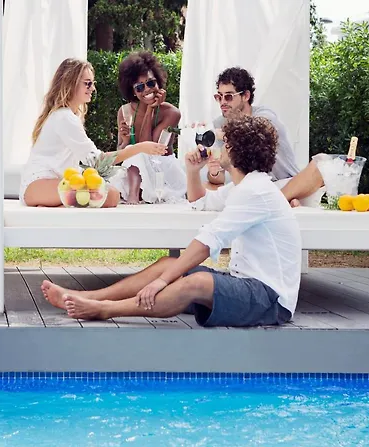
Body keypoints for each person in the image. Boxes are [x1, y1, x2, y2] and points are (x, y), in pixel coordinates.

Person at [40, 115, 302, 327]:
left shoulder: (254, 191)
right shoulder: (245, 187)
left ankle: (105, 309)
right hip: (246, 285)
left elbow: (209, 240)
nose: (219, 148)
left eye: (224, 143)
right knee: (169, 264)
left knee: (194, 282)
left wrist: (162, 281)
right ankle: (87, 296)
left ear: (233, 151)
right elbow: (200, 202)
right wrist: (193, 171)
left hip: (271, 300)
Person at [20, 58, 167, 207]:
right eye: (87, 83)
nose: (93, 88)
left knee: (111, 194)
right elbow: (97, 161)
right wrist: (140, 148)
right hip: (39, 185)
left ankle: (56, 205)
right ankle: (55, 204)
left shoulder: (65, 115)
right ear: (71, 83)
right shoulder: (64, 117)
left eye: (92, 83)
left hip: (47, 186)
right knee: (111, 195)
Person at [206, 67, 324, 206]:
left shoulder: (264, 116)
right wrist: (214, 172)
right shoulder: (219, 123)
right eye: (219, 97)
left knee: (321, 164)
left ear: (246, 96)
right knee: (205, 188)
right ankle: (282, 202)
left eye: (228, 96)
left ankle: (277, 201)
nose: (222, 102)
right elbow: (220, 178)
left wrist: (220, 134)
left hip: (284, 183)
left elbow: (257, 130)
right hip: (248, 187)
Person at [115, 51, 186, 204]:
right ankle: (134, 195)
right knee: (132, 151)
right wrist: (125, 141)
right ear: (133, 92)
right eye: (139, 87)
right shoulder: (125, 112)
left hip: (162, 170)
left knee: (137, 151)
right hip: (134, 174)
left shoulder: (172, 113)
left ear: (158, 82)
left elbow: (151, 149)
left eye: (151, 83)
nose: (147, 89)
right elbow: (121, 152)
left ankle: (133, 197)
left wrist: (150, 110)